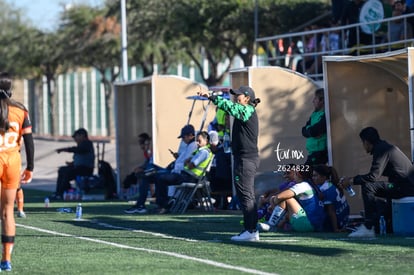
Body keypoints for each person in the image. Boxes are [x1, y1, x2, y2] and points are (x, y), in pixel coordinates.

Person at [198, 86, 261, 242]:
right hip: (244, 159)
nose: (235, 97)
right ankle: (252, 229)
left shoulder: (248, 110)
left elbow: (231, 107)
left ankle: (250, 230)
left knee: (245, 195)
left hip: (246, 160)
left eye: (238, 95)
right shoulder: (245, 110)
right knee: (246, 195)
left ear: (247, 98)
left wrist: (212, 97)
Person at [341, 127, 414, 237]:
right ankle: (383, 225)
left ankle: (369, 227)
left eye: (362, 143)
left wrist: (351, 181)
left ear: (366, 142)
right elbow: (377, 174)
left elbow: (373, 176)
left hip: (404, 188)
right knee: (381, 187)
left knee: (369, 187)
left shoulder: (382, 149)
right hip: (402, 186)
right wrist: (352, 179)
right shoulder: (384, 147)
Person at [0, 72, 34, 271]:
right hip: (13, 161)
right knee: (8, 213)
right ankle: (6, 260)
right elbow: (29, 142)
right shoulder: (21, 110)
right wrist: (30, 167)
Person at [155, 131, 213, 213]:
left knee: (161, 178)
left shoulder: (204, 152)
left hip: (191, 177)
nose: (197, 142)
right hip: (187, 175)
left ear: (206, 141)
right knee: (160, 177)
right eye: (196, 140)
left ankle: (164, 205)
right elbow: (186, 162)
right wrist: (188, 162)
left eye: (199, 140)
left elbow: (191, 165)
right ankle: (166, 203)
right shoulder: (198, 151)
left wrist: (188, 162)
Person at [51, 128, 95, 200]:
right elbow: (79, 158)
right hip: (79, 168)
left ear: (82, 136)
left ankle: (62, 192)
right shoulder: (81, 145)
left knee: (66, 172)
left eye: (76, 137)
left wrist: (63, 149)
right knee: (62, 170)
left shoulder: (87, 144)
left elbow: (78, 150)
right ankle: (60, 192)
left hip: (85, 169)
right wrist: (72, 163)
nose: (75, 139)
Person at [256, 165, 297, 232]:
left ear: (296, 173)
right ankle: (260, 218)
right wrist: (266, 193)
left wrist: (267, 200)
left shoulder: (295, 184)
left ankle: (272, 223)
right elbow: (277, 190)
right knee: (267, 200)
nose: (285, 176)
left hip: (290, 212)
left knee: (276, 200)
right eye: (284, 173)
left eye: (288, 173)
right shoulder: (287, 183)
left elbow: (281, 194)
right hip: (283, 209)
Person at [312, 164, 350, 232]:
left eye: (315, 175)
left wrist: (335, 229)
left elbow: (331, 211)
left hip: (338, 219)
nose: (313, 178)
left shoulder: (326, 190)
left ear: (323, 177)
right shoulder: (328, 184)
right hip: (343, 216)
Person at [121, 133, 153, 200]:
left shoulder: (150, 149)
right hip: (148, 167)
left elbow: (151, 161)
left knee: (139, 175)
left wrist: (142, 168)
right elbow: (147, 161)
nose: (140, 143)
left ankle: (147, 194)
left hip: (151, 168)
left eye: (141, 141)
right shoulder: (146, 150)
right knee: (131, 176)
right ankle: (126, 193)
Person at [301, 88, 328, 165]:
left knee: (303, 174)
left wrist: (310, 130)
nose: (313, 101)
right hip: (312, 153)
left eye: (315, 98)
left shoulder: (325, 115)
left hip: (320, 154)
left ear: (322, 100)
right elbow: (303, 131)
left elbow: (314, 131)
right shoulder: (314, 114)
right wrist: (310, 130)